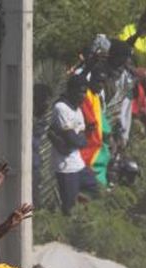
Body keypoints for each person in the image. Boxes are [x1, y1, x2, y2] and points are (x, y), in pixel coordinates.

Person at [50, 75, 99, 214]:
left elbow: (82, 139)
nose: (83, 95)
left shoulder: (77, 109)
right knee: (69, 208)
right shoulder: (61, 108)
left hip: (78, 163)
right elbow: (73, 139)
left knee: (94, 189)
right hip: (65, 167)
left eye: (85, 92)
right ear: (71, 90)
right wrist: (77, 139)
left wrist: (77, 139)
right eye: (80, 91)